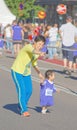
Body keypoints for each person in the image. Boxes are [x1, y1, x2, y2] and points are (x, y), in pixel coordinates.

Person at [11, 35, 45, 117]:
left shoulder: (36, 53)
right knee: (21, 90)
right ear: (35, 42)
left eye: (42, 45)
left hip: (26, 73)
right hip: (17, 71)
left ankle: (21, 105)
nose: (40, 46)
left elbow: (34, 63)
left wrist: (39, 73)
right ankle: (23, 110)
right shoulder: (28, 47)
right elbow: (33, 51)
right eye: (39, 44)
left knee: (29, 90)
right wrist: (40, 52)